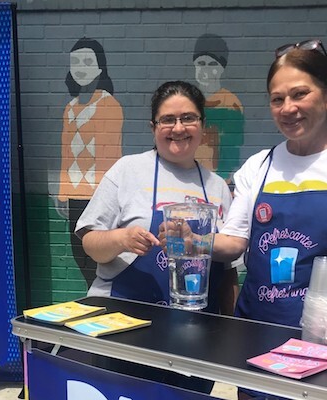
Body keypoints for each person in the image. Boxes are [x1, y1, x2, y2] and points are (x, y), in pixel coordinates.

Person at [212, 40, 327, 399]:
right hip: (260, 332)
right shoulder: (259, 166)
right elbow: (235, 241)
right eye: (277, 99)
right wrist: (194, 241)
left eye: (300, 94)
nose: (288, 108)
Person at [75, 80, 238, 394]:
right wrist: (121, 239)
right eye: (168, 120)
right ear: (154, 127)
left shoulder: (217, 187)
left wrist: (231, 331)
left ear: (202, 126)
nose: (178, 128)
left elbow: (229, 270)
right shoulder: (127, 171)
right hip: (124, 331)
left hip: (195, 336)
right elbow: (90, 243)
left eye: (188, 118)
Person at [57, 38, 124, 289]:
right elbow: (66, 152)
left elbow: (111, 156)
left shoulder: (109, 105)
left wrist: (108, 196)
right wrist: (63, 193)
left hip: (98, 195)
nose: (81, 67)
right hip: (75, 193)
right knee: (79, 252)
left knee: (95, 253)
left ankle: (101, 296)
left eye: (87, 61)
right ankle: (93, 293)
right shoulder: (70, 108)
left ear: (100, 68)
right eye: (75, 62)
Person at [193, 33, 244, 182]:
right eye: (201, 64)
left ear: (222, 68)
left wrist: (221, 183)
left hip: (214, 181)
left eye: (213, 65)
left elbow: (230, 152)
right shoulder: (187, 100)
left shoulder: (229, 104)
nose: (206, 70)